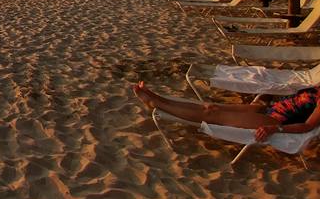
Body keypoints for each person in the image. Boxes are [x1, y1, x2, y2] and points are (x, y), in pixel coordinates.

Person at [133, 81, 320, 142]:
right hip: (267, 109)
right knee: (210, 107)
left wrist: (275, 130)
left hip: (275, 122)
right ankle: (159, 99)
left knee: (212, 115)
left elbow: (308, 125)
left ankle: (158, 103)